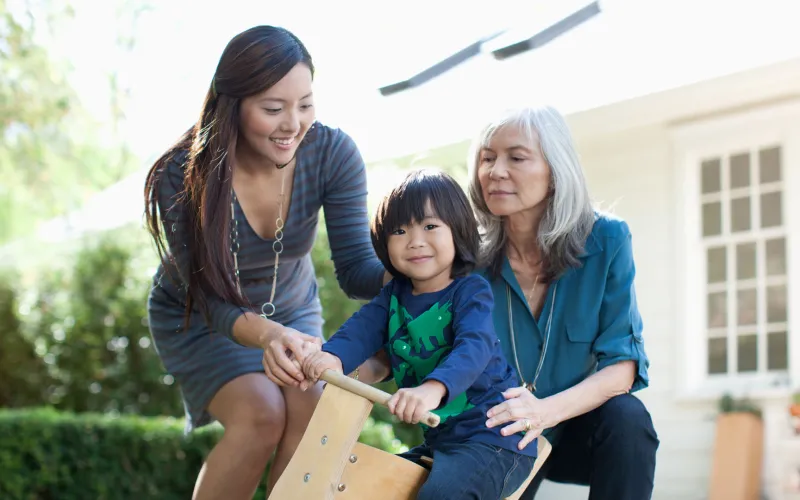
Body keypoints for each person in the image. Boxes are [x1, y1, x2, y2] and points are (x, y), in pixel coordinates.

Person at [143, 26, 391, 500]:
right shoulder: (183, 171)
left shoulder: (332, 154)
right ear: (230, 104)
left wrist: (416, 272)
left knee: (311, 409)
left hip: (291, 308)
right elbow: (211, 299)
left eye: (305, 104)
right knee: (261, 415)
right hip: (201, 316)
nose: (293, 124)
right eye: (273, 109)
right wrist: (270, 336)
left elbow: (357, 270)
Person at [301, 169, 537, 499]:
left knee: (441, 495)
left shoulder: (470, 292)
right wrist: (331, 356)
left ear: (458, 230)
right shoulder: (392, 296)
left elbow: (475, 347)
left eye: (429, 226)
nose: (415, 241)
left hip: (496, 439)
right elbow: (360, 330)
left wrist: (431, 389)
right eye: (400, 230)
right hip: (442, 444)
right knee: (366, 484)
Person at [467, 106, 659, 499]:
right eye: (487, 158)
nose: (495, 171)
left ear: (555, 172)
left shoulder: (606, 239)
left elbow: (622, 366)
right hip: (498, 433)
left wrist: (543, 412)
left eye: (516, 157)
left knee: (628, 419)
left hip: (575, 429)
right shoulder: (466, 260)